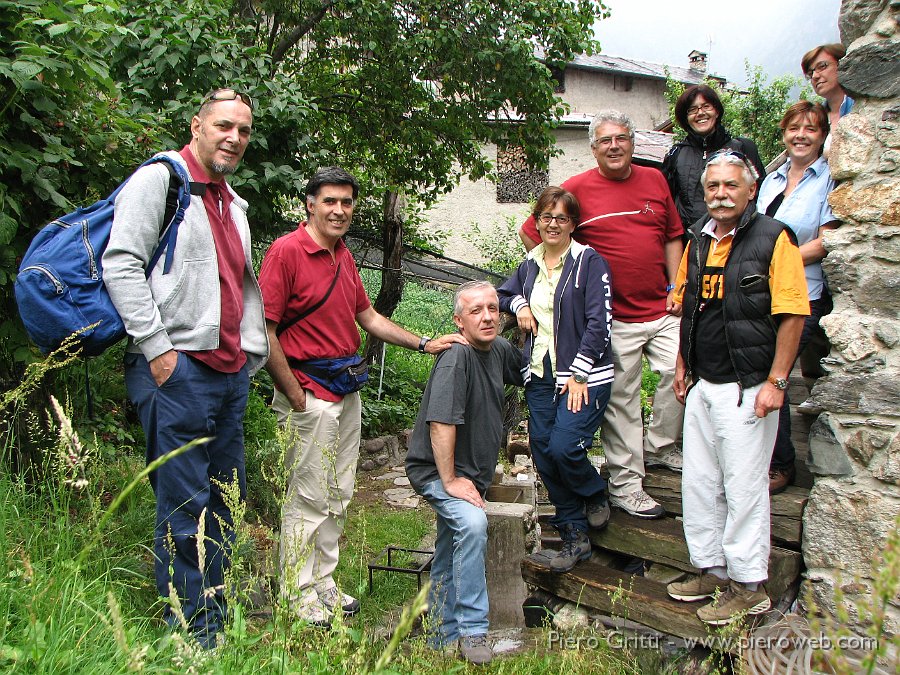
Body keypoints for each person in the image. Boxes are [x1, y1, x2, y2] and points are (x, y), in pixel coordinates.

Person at [258, 166, 464, 626]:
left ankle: (323, 582)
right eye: (329, 201)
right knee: (308, 494)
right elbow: (265, 331)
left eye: (346, 202)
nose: (339, 210)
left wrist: (425, 343)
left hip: (344, 389)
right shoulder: (286, 252)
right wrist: (293, 393)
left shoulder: (343, 256)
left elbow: (367, 317)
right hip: (307, 393)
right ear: (309, 204)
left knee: (338, 490)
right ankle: (296, 590)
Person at [103, 88, 269, 648]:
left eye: (244, 131)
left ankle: (216, 611)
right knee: (183, 501)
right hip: (178, 371)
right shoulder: (160, 180)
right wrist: (157, 349)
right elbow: (121, 262)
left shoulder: (233, 202)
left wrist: (250, 355)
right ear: (198, 125)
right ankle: (190, 627)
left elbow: (240, 285)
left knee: (226, 495)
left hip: (228, 374)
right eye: (224, 126)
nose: (234, 138)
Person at [667, 149, 808, 626]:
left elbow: (793, 312)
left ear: (751, 190)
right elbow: (689, 306)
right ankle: (711, 569)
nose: (721, 195)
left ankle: (749, 586)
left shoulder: (774, 238)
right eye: (713, 187)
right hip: (704, 383)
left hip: (748, 387)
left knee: (744, 487)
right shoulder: (699, 241)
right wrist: (683, 365)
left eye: (731, 186)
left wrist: (777, 381)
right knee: (701, 484)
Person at [519, 110, 683, 520]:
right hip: (615, 319)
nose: (614, 146)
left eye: (622, 138)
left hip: (662, 308)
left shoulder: (655, 179)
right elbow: (532, 231)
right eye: (605, 140)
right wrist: (548, 290)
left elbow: (672, 236)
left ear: (633, 142)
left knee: (682, 375)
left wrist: (676, 286)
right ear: (593, 148)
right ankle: (627, 486)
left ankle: (661, 446)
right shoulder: (576, 189)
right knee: (622, 403)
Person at [405, 281, 524, 666]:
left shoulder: (500, 349)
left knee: (449, 544)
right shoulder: (457, 357)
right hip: (436, 472)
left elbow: (532, 373)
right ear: (459, 321)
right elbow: (440, 423)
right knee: (472, 525)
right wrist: (451, 481)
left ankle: (440, 631)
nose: (488, 316)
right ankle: (473, 630)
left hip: (471, 474)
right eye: (476, 311)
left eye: (493, 308)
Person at [498, 186, 614, 573]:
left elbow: (600, 323)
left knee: (564, 446)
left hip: (584, 374)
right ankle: (574, 536)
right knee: (544, 453)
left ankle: (595, 492)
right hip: (540, 373)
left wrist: (580, 373)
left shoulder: (588, 262)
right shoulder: (529, 263)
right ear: (537, 221)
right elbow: (505, 293)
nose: (552, 224)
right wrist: (521, 304)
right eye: (546, 216)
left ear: (572, 224)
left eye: (561, 218)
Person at [757, 101, 840, 493]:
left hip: (804, 293)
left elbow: (826, 242)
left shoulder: (828, 181)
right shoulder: (771, 181)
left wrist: (774, 260)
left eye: (810, 129)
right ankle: (762, 454)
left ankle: (782, 463)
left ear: (822, 135)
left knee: (779, 370)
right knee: (760, 367)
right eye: (793, 128)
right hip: (762, 292)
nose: (801, 135)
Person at [662, 84, 765, 231]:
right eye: (692, 110)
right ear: (686, 118)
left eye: (706, 106)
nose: (700, 113)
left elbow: (761, 196)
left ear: (717, 111)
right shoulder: (676, 154)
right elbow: (666, 202)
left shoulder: (742, 148)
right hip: (689, 241)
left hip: (736, 239)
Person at [801, 43, 854, 137]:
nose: (815, 76)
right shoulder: (817, 118)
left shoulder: (862, 105)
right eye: (810, 73)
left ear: (841, 64)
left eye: (822, 66)